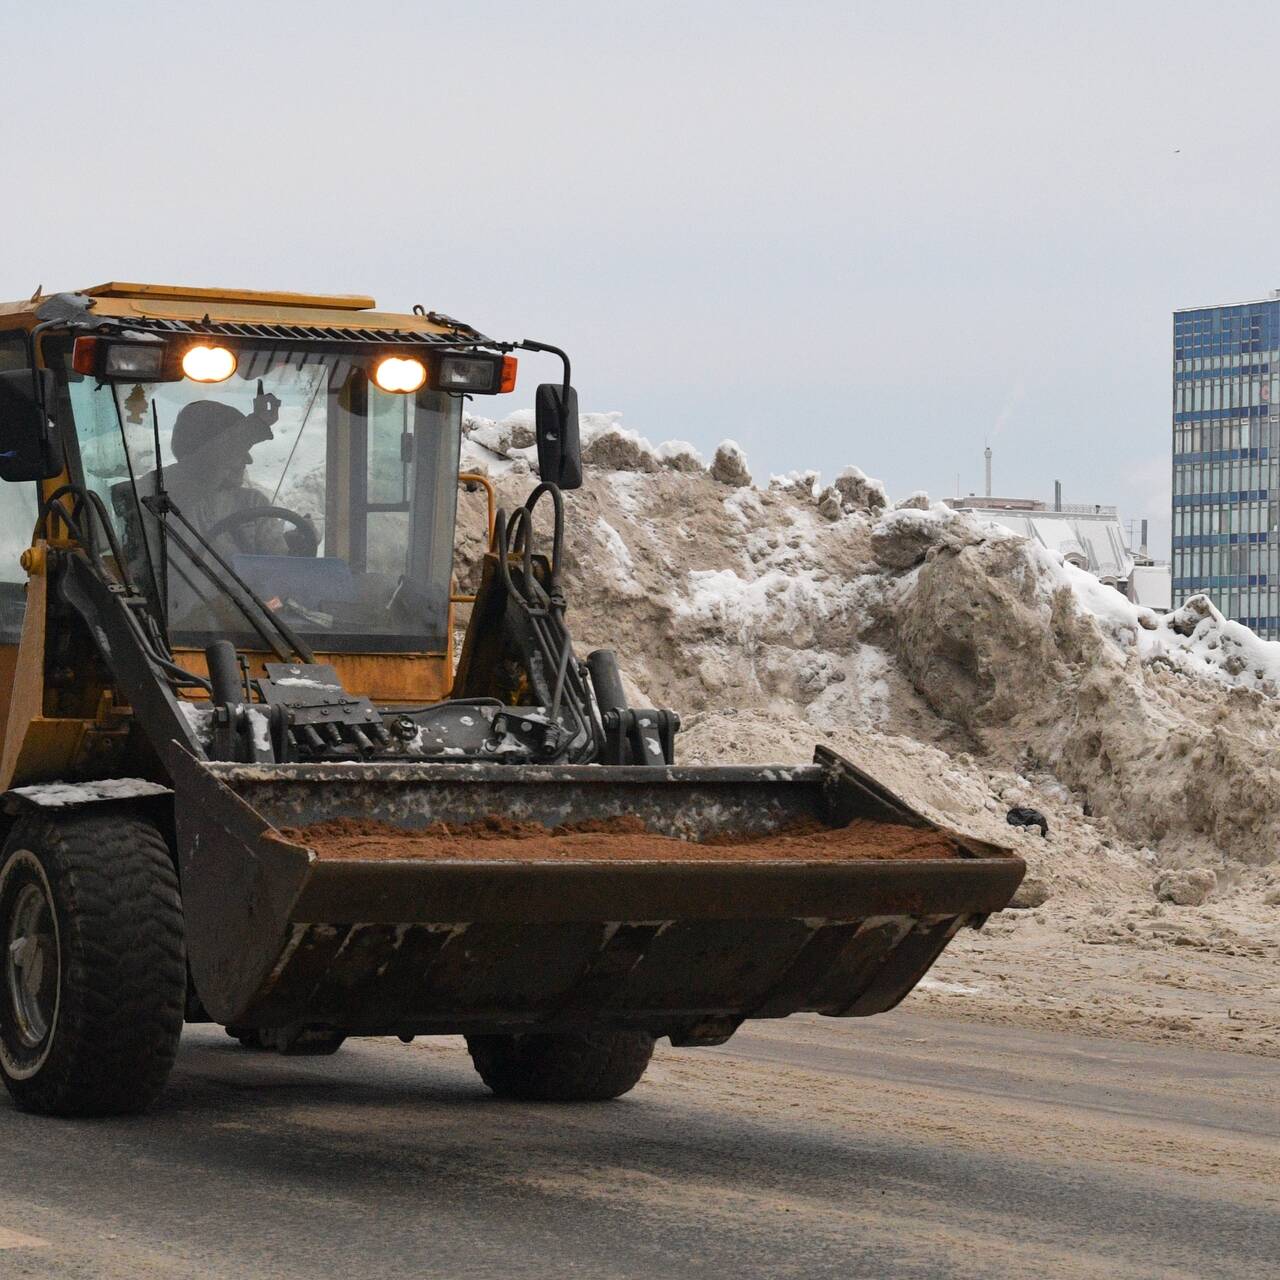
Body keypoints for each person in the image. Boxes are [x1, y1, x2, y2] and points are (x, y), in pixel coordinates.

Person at [161, 399, 289, 556]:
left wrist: (295, 545)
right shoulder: (163, 500)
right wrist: (255, 425)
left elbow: (276, 568)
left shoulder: (253, 503)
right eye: (238, 450)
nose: (249, 460)